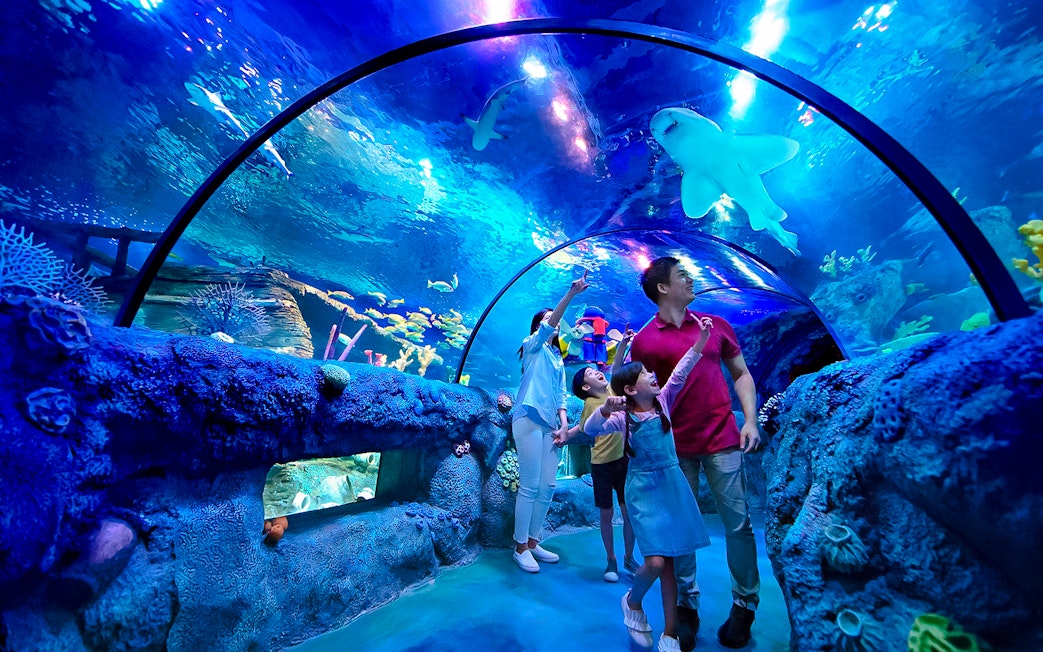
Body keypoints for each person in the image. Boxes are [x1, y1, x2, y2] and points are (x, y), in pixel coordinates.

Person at [629, 257, 762, 650]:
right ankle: (687, 605)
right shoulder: (644, 341)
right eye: (682, 275)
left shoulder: (715, 326)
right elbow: (638, 397)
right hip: (674, 449)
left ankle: (745, 605)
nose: (691, 279)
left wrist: (750, 420)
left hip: (722, 438)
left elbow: (740, 373)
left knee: (738, 524)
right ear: (662, 289)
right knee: (681, 533)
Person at [583, 316, 714, 652]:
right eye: (645, 375)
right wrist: (603, 411)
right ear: (630, 389)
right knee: (655, 562)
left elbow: (683, 369)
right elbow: (590, 431)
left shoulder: (664, 402)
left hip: (672, 486)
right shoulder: (622, 418)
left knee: (669, 562)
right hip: (643, 491)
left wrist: (700, 339)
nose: (653, 377)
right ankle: (633, 600)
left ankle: (670, 633)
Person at [511, 270, 590, 573]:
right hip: (528, 419)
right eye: (550, 321)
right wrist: (571, 294)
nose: (556, 325)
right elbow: (547, 328)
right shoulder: (532, 347)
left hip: (549, 426)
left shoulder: (557, 359)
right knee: (530, 486)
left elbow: (560, 394)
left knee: (548, 485)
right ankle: (519, 548)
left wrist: (564, 425)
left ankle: (532, 541)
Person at [568, 325, 638, 583]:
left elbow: (616, 367)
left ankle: (630, 557)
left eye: (595, 370)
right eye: (589, 373)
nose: (597, 372)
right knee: (606, 513)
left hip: (623, 460)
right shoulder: (590, 404)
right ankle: (611, 559)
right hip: (601, 464)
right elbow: (584, 428)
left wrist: (623, 344)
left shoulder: (613, 390)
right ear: (585, 388)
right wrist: (566, 435)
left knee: (628, 510)